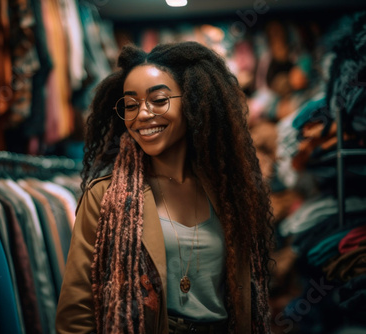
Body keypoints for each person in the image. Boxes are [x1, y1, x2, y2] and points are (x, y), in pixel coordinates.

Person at [55, 41, 273, 334]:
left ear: (194, 102)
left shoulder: (230, 192)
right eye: (131, 105)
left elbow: (250, 292)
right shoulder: (104, 197)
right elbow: (76, 314)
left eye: (159, 100)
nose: (142, 114)